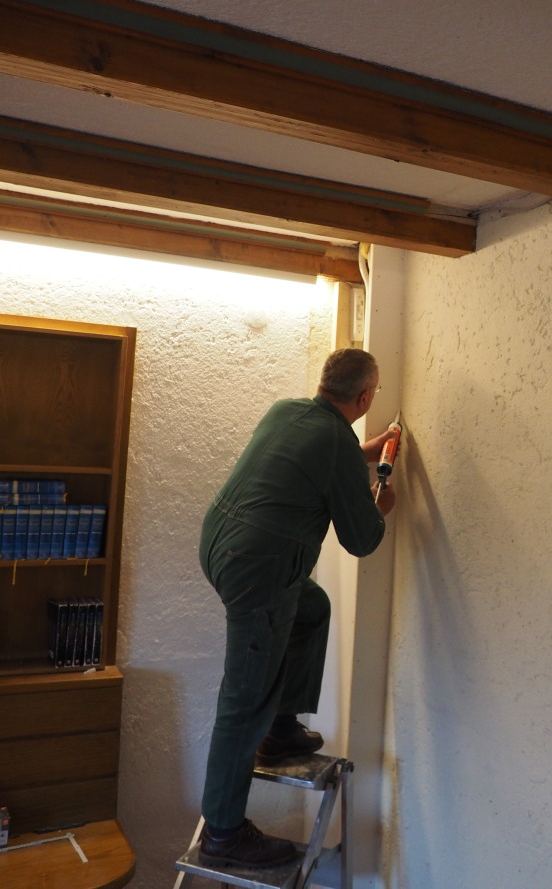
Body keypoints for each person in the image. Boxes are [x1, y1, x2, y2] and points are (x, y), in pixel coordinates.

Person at [197, 348, 396, 871]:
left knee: (311, 608)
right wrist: (380, 505)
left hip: (221, 546)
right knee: (244, 700)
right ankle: (223, 834)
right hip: (258, 573)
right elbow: (361, 539)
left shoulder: (288, 411)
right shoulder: (336, 443)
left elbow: (322, 457)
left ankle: (280, 730)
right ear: (365, 397)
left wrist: (362, 451)